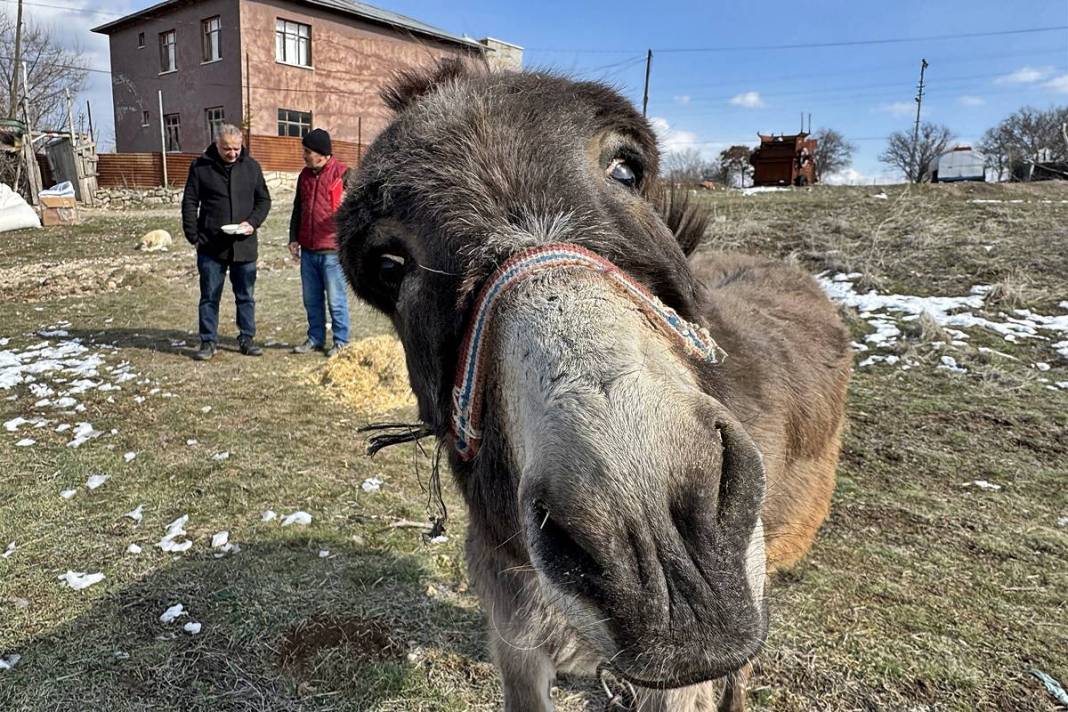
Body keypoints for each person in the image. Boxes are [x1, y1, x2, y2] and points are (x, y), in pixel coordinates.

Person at [181, 124, 271, 361]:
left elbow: (263, 200)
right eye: (226, 148)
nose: (232, 153)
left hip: (245, 246)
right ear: (216, 145)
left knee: (245, 295)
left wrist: (253, 222)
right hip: (211, 246)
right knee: (210, 296)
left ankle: (247, 338)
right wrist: (193, 236)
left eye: (236, 148)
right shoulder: (201, 167)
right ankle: (208, 341)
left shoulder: (251, 167)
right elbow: (190, 202)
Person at [288, 128, 351, 357]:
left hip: (332, 251)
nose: (304, 155)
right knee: (311, 299)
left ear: (321, 153)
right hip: (309, 251)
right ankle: (315, 338)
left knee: (336, 300)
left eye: (307, 151)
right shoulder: (304, 175)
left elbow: (359, 210)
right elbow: (298, 208)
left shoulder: (344, 174)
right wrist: (293, 238)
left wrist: (348, 203)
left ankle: (341, 341)